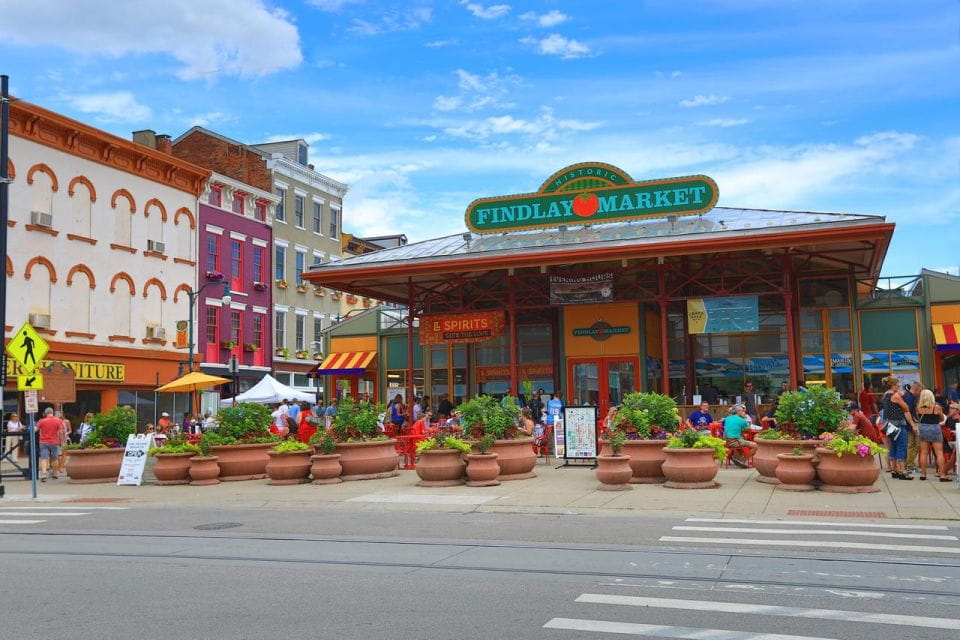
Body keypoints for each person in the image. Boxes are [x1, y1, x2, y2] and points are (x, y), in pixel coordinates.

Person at [880, 376, 917, 479]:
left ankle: (894, 469)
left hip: (890, 425)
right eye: (897, 385)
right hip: (899, 424)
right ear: (893, 385)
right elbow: (906, 407)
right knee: (902, 446)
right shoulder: (895, 396)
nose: (899, 386)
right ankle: (902, 471)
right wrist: (902, 396)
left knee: (893, 446)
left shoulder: (886, 395)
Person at [915, 389, 948, 481]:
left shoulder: (918, 407)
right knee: (939, 453)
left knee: (924, 452)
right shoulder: (936, 407)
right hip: (934, 428)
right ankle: (942, 475)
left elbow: (918, 418)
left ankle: (923, 474)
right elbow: (941, 419)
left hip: (923, 428)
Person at [36, 408, 64, 481]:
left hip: (43, 442)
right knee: (55, 458)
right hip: (54, 442)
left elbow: (35, 429)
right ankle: (55, 473)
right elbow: (61, 432)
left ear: (45, 413)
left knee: (44, 458)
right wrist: (62, 441)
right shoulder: (58, 420)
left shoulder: (41, 421)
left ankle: (44, 473)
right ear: (52, 413)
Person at [902, 381, 921, 472]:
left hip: (910, 424)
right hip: (910, 424)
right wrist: (914, 424)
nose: (920, 393)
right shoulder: (909, 397)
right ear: (916, 389)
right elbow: (908, 412)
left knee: (913, 445)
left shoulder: (909, 396)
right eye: (920, 391)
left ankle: (909, 464)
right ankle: (910, 466)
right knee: (913, 445)